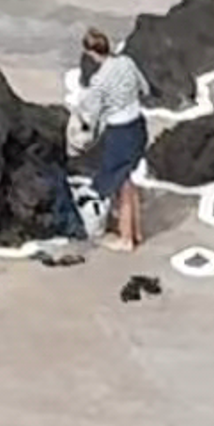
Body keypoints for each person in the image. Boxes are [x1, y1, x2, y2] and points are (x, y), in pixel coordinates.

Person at [56, 26, 158, 294]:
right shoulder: (127, 62)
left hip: (120, 134)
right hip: (138, 126)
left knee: (119, 183)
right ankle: (135, 232)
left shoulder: (99, 81)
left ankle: (125, 239)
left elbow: (90, 115)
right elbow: (144, 87)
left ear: (90, 53)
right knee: (128, 182)